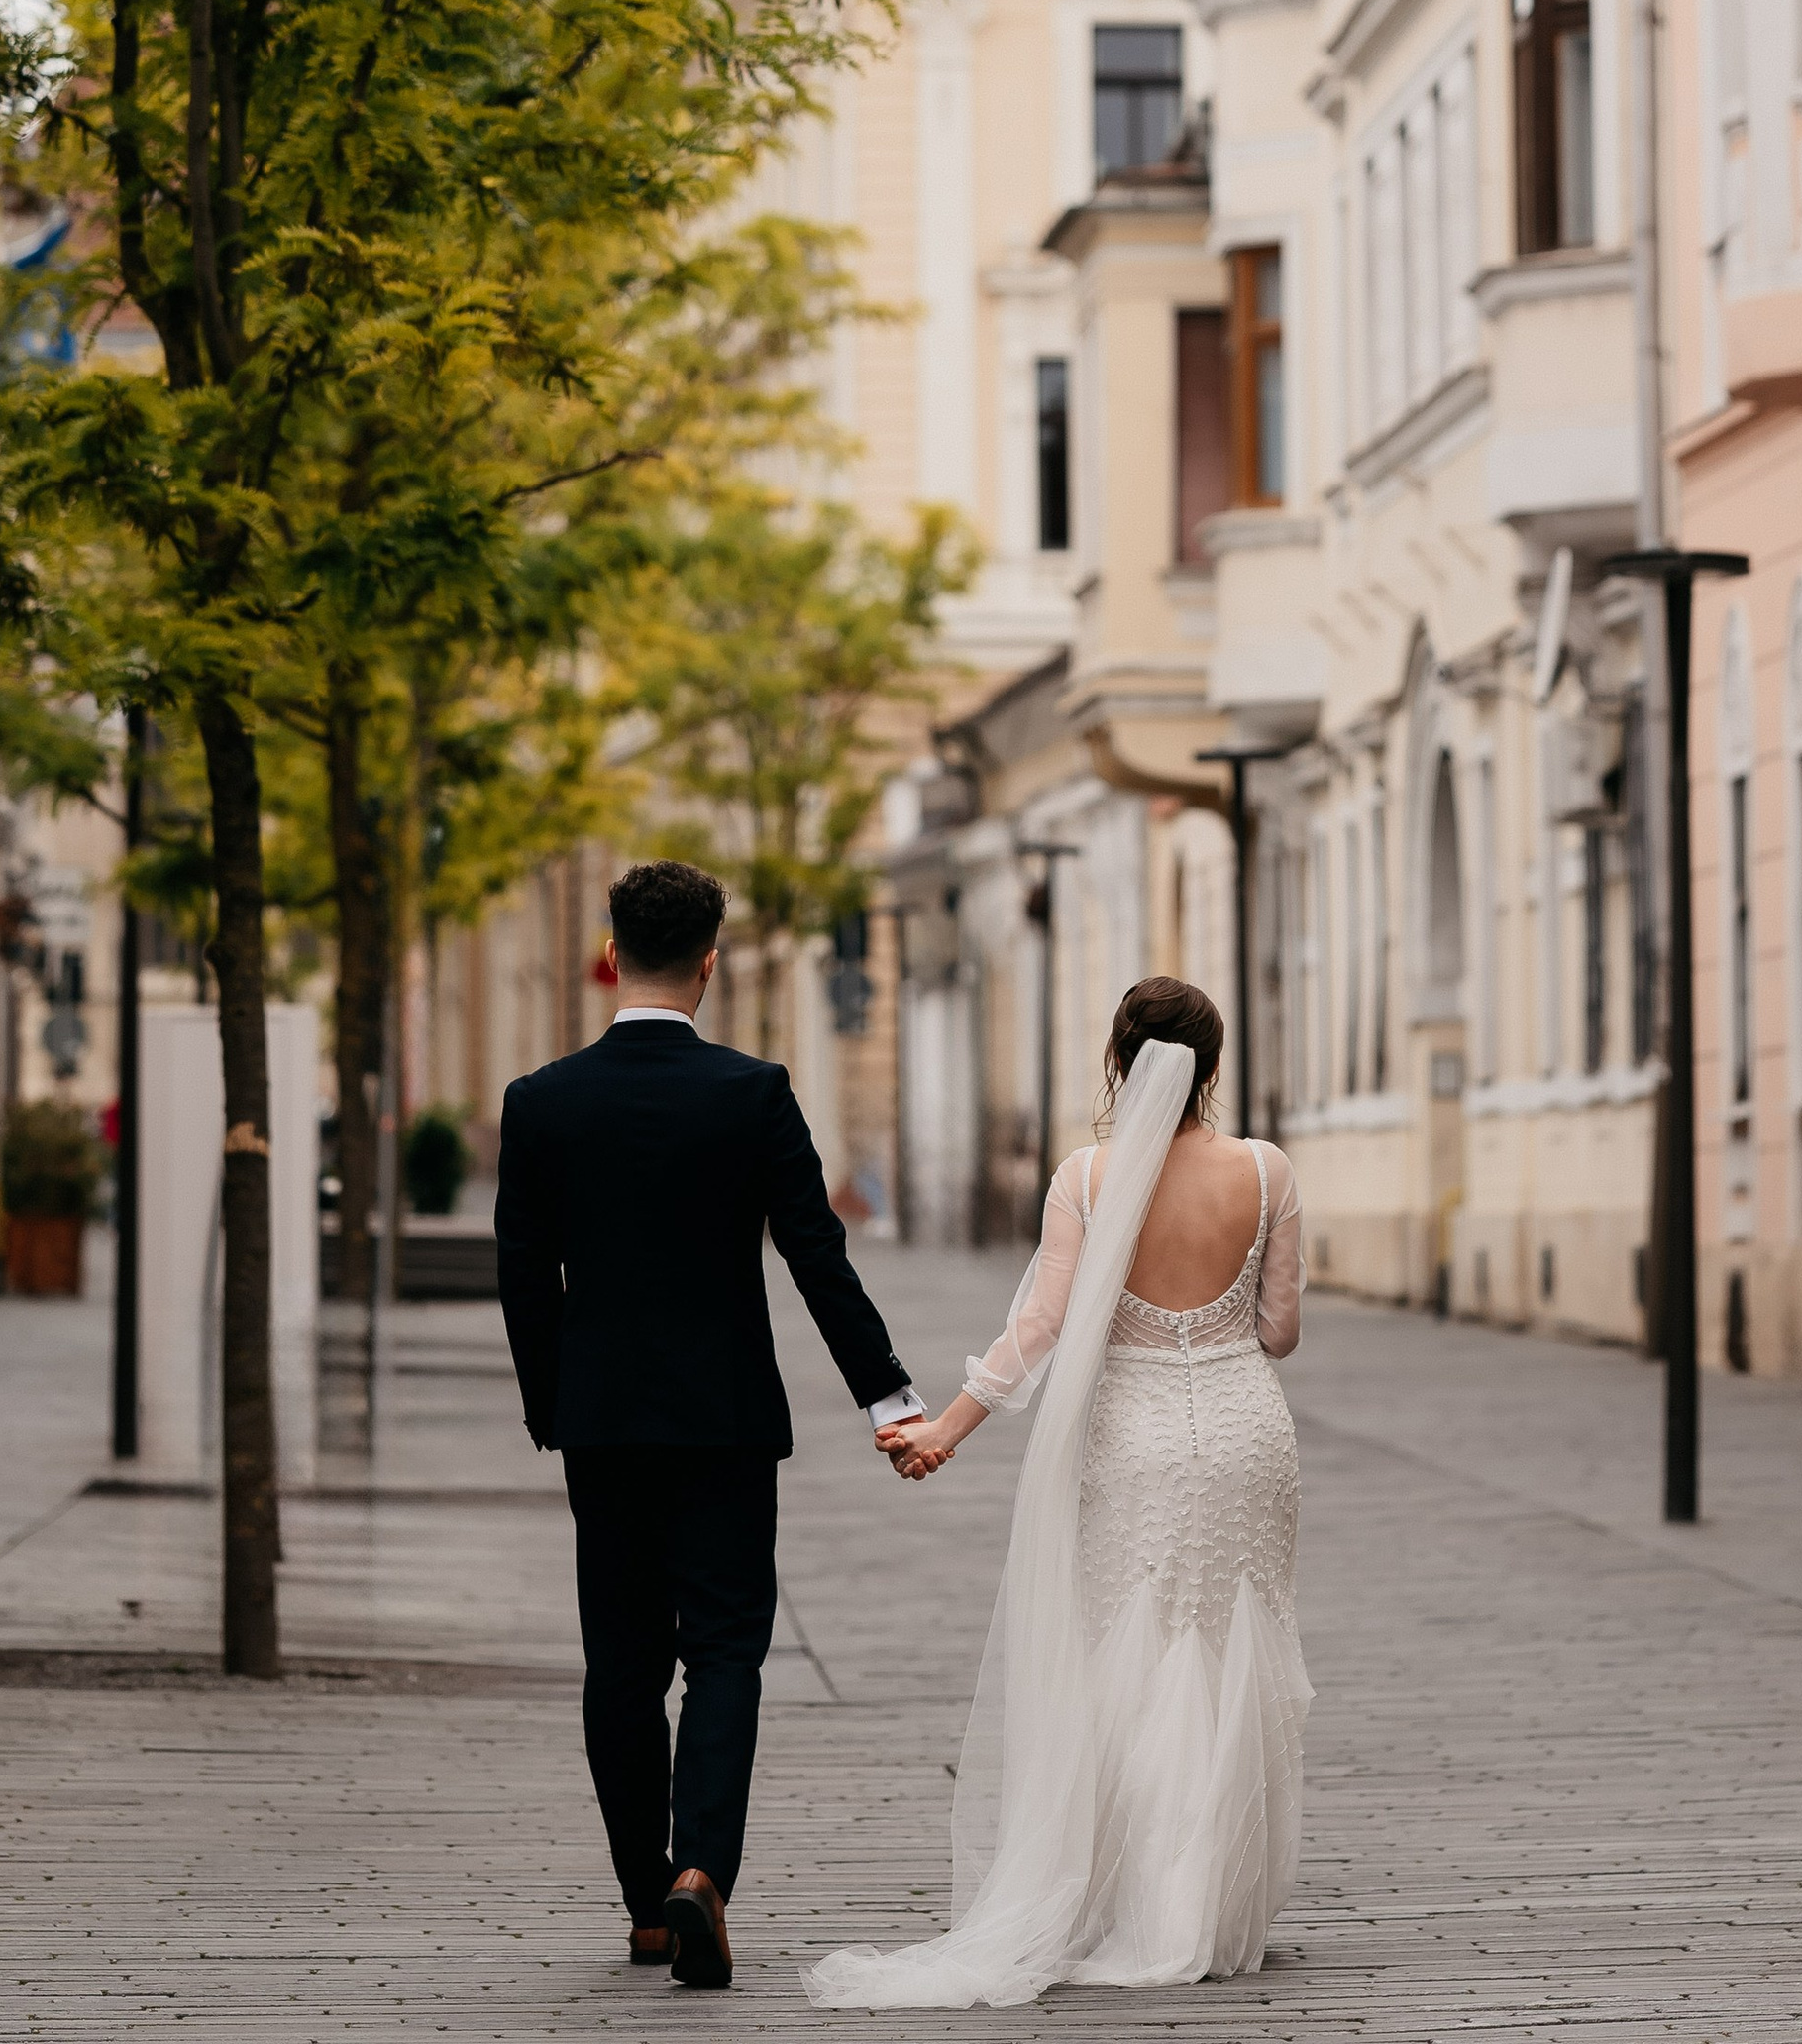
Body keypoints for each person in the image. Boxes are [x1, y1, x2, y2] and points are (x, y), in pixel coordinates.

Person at [804, 976, 1311, 2008]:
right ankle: (1211, 1906)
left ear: (1120, 1060)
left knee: (1131, 1644)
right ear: (1211, 1067)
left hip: (1132, 1439)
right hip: (1246, 1430)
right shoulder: (1267, 1172)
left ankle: (1137, 1900)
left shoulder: (1086, 1176)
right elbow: (1280, 1330)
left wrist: (944, 1426)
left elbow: (1038, 1326)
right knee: (1232, 1644)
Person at [494, 857, 928, 1990]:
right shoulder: (752, 1092)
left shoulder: (541, 1101)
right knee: (727, 1648)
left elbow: (521, 1277)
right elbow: (814, 1255)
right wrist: (886, 1395)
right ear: (710, 962)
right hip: (728, 1419)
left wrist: (555, 1404)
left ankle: (647, 1902)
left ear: (609, 953)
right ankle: (703, 1875)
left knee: (621, 1661)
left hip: (601, 1424)